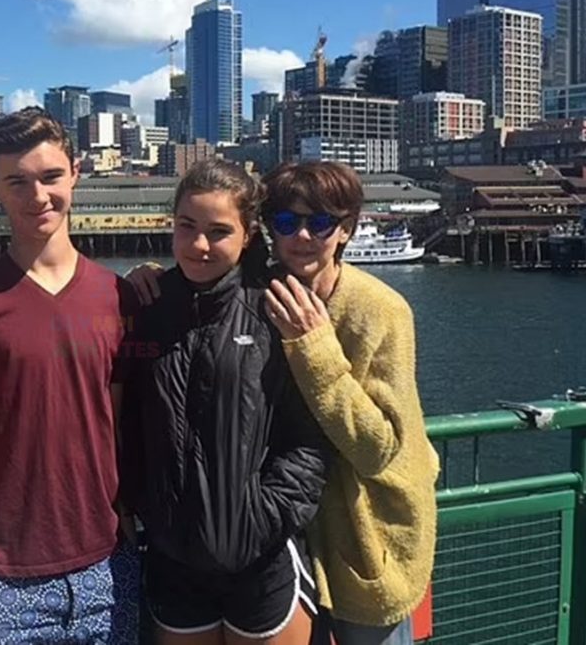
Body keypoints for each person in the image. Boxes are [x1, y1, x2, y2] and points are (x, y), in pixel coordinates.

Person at [0, 107, 140, 644]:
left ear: (75, 172)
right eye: (17, 182)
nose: (37, 196)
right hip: (1, 580)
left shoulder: (116, 295)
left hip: (106, 570)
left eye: (51, 177)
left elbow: (116, 427)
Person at [121, 159, 328, 645]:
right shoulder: (146, 309)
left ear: (248, 235)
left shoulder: (277, 307)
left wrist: (264, 517)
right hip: (173, 559)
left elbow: (311, 432)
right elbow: (126, 421)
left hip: (259, 561)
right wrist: (143, 506)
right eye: (186, 227)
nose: (198, 245)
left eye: (218, 232)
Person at [259, 161, 438, 645]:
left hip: (367, 532)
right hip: (284, 529)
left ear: (346, 231)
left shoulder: (381, 311)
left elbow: (377, 447)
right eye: (285, 222)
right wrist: (152, 279)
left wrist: (313, 347)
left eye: (319, 223)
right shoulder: (260, 292)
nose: (301, 236)